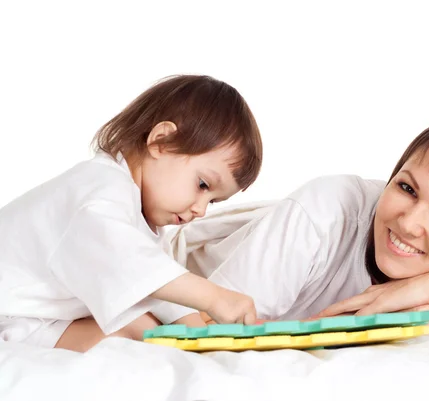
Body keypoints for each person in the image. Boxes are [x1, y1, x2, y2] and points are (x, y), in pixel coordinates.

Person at [165, 115, 429, 341]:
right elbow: (206, 329)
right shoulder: (326, 211)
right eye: (407, 188)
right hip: (172, 285)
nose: (409, 223)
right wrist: (360, 328)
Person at [0, 75, 262, 352]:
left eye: (213, 201)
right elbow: (132, 263)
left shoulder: (139, 213)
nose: (200, 209)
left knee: (151, 325)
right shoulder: (100, 192)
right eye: (202, 185)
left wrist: (201, 332)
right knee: (139, 334)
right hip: (14, 314)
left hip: (41, 314)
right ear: (161, 141)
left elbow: (154, 288)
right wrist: (214, 298)